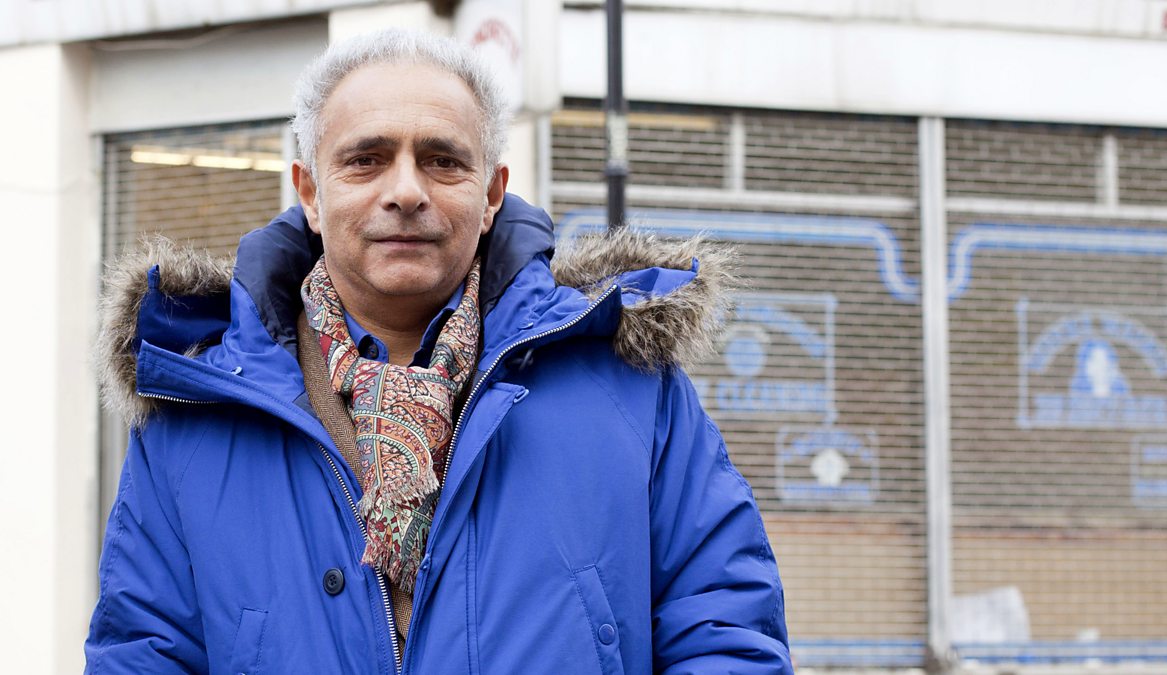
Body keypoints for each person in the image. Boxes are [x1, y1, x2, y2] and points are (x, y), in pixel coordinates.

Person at [86, 28, 791, 674]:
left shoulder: (629, 387)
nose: (405, 191)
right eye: (365, 160)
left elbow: (726, 633)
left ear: (492, 195)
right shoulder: (196, 413)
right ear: (310, 192)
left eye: (442, 161)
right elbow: (143, 654)